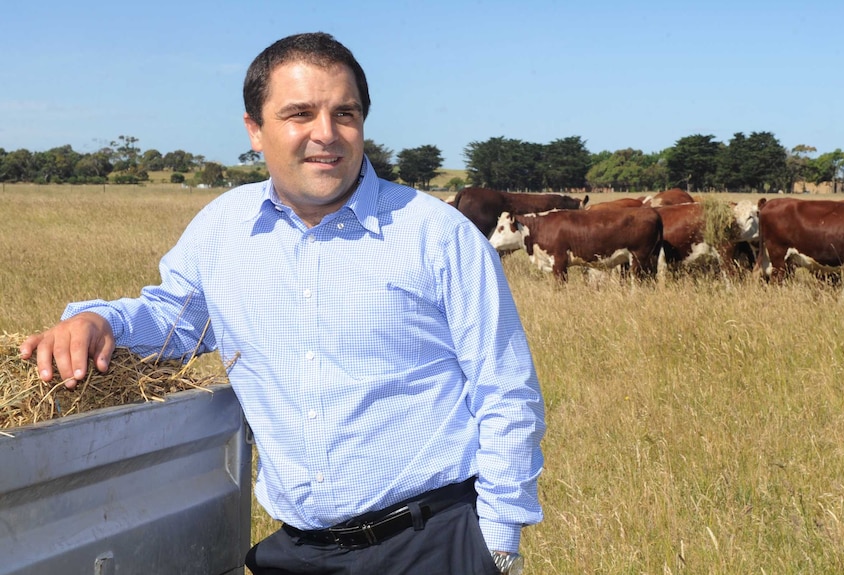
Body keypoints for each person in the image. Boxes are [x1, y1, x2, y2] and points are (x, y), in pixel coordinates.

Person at [20, 32, 544, 575]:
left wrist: (498, 546)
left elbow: (506, 391)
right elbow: (173, 320)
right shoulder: (223, 229)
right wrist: (96, 320)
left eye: (346, 112)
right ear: (254, 130)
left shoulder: (436, 235)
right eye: (300, 113)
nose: (327, 134)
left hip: (431, 544)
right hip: (299, 552)